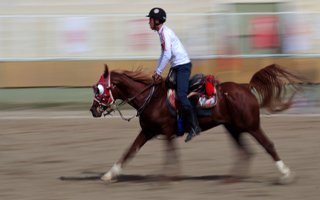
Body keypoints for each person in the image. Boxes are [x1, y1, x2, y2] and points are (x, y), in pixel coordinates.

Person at [146, 7, 201, 142]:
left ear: (157, 21)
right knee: (167, 92)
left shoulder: (165, 33)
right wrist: (157, 70)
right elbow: (163, 54)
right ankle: (175, 123)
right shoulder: (162, 32)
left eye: (151, 19)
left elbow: (167, 54)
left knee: (181, 95)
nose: (149, 22)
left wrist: (159, 71)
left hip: (182, 67)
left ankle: (195, 126)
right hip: (176, 66)